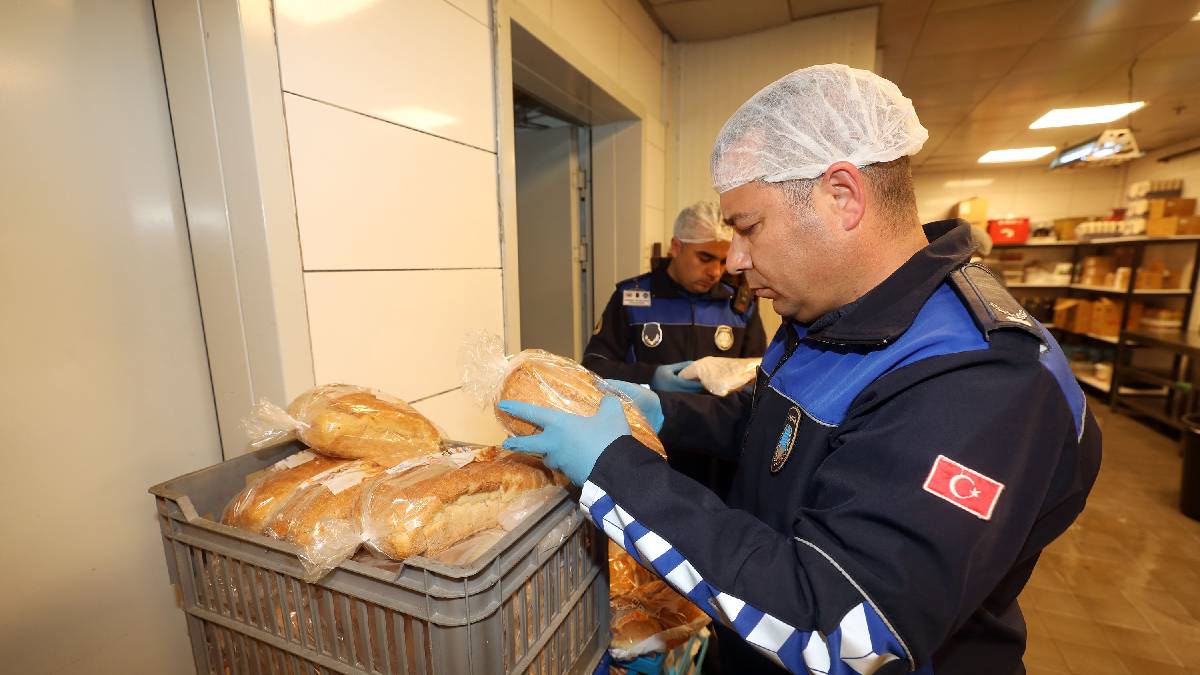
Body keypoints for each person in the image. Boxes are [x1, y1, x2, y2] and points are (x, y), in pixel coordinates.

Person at [498, 64, 1101, 674]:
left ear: (842, 195)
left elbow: (842, 631)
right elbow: (775, 429)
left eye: (749, 227)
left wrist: (617, 470)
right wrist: (662, 411)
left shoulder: (980, 379)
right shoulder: (828, 314)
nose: (734, 260)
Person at [583, 201, 767, 497]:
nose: (716, 271)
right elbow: (593, 367)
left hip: (717, 455)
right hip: (649, 448)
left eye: (722, 260)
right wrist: (652, 375)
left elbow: (757, 375)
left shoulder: (739, 307)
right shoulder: (633, 298)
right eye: (705, 258)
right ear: (676, 247)